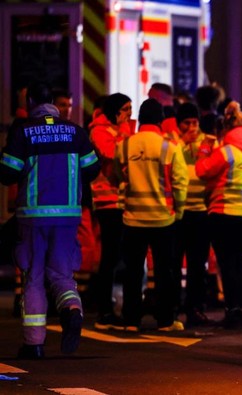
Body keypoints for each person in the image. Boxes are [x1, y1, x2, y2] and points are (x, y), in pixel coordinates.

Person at [0, 81, 100, 359]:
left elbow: (8, 172)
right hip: (68, 217)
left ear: (30, 101)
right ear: (55, 104)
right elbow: (92, 168)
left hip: (33, 217)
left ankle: (34, 343)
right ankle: (72, 310)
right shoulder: (75, 132)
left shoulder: (23, 133)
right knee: (61, 274)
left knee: (34, 277)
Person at [114, 99, 189, 332]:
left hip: (132, 217)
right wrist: (179, 210)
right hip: (163, 218)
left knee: (133, 271)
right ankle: (165, 320)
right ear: (160, 120)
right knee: (164, 271)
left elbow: (119, 175)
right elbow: (180, 183)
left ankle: (131, 320)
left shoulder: (125, 146)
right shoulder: (169, 147)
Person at [195, 101, 242, 329]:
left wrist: (205, 146)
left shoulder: (227, 152)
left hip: (223, 212)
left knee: (227, 264)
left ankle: (232, 311)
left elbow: (202, 170)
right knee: (241, 263)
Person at [90, 93, 133, 330]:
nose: (129, 114)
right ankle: (104, 309)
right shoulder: (99, 131)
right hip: (107, 201)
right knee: (110, 257)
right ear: (114, 111)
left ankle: (109, 306)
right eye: (125, 109)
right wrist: (127, 134)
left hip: (122, 200)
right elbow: (111, 154)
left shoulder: (118, 131)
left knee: (118, 257)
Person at [174, 102, 215, 327]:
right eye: (187, 123)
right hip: (179, 212)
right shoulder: (173, 143)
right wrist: (182, 145)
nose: (191, 127)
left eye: (195, 122)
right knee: (173, 263)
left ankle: (195, 308)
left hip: (201, 211)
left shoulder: (208, 142)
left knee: (198, 265)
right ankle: (173, 307)